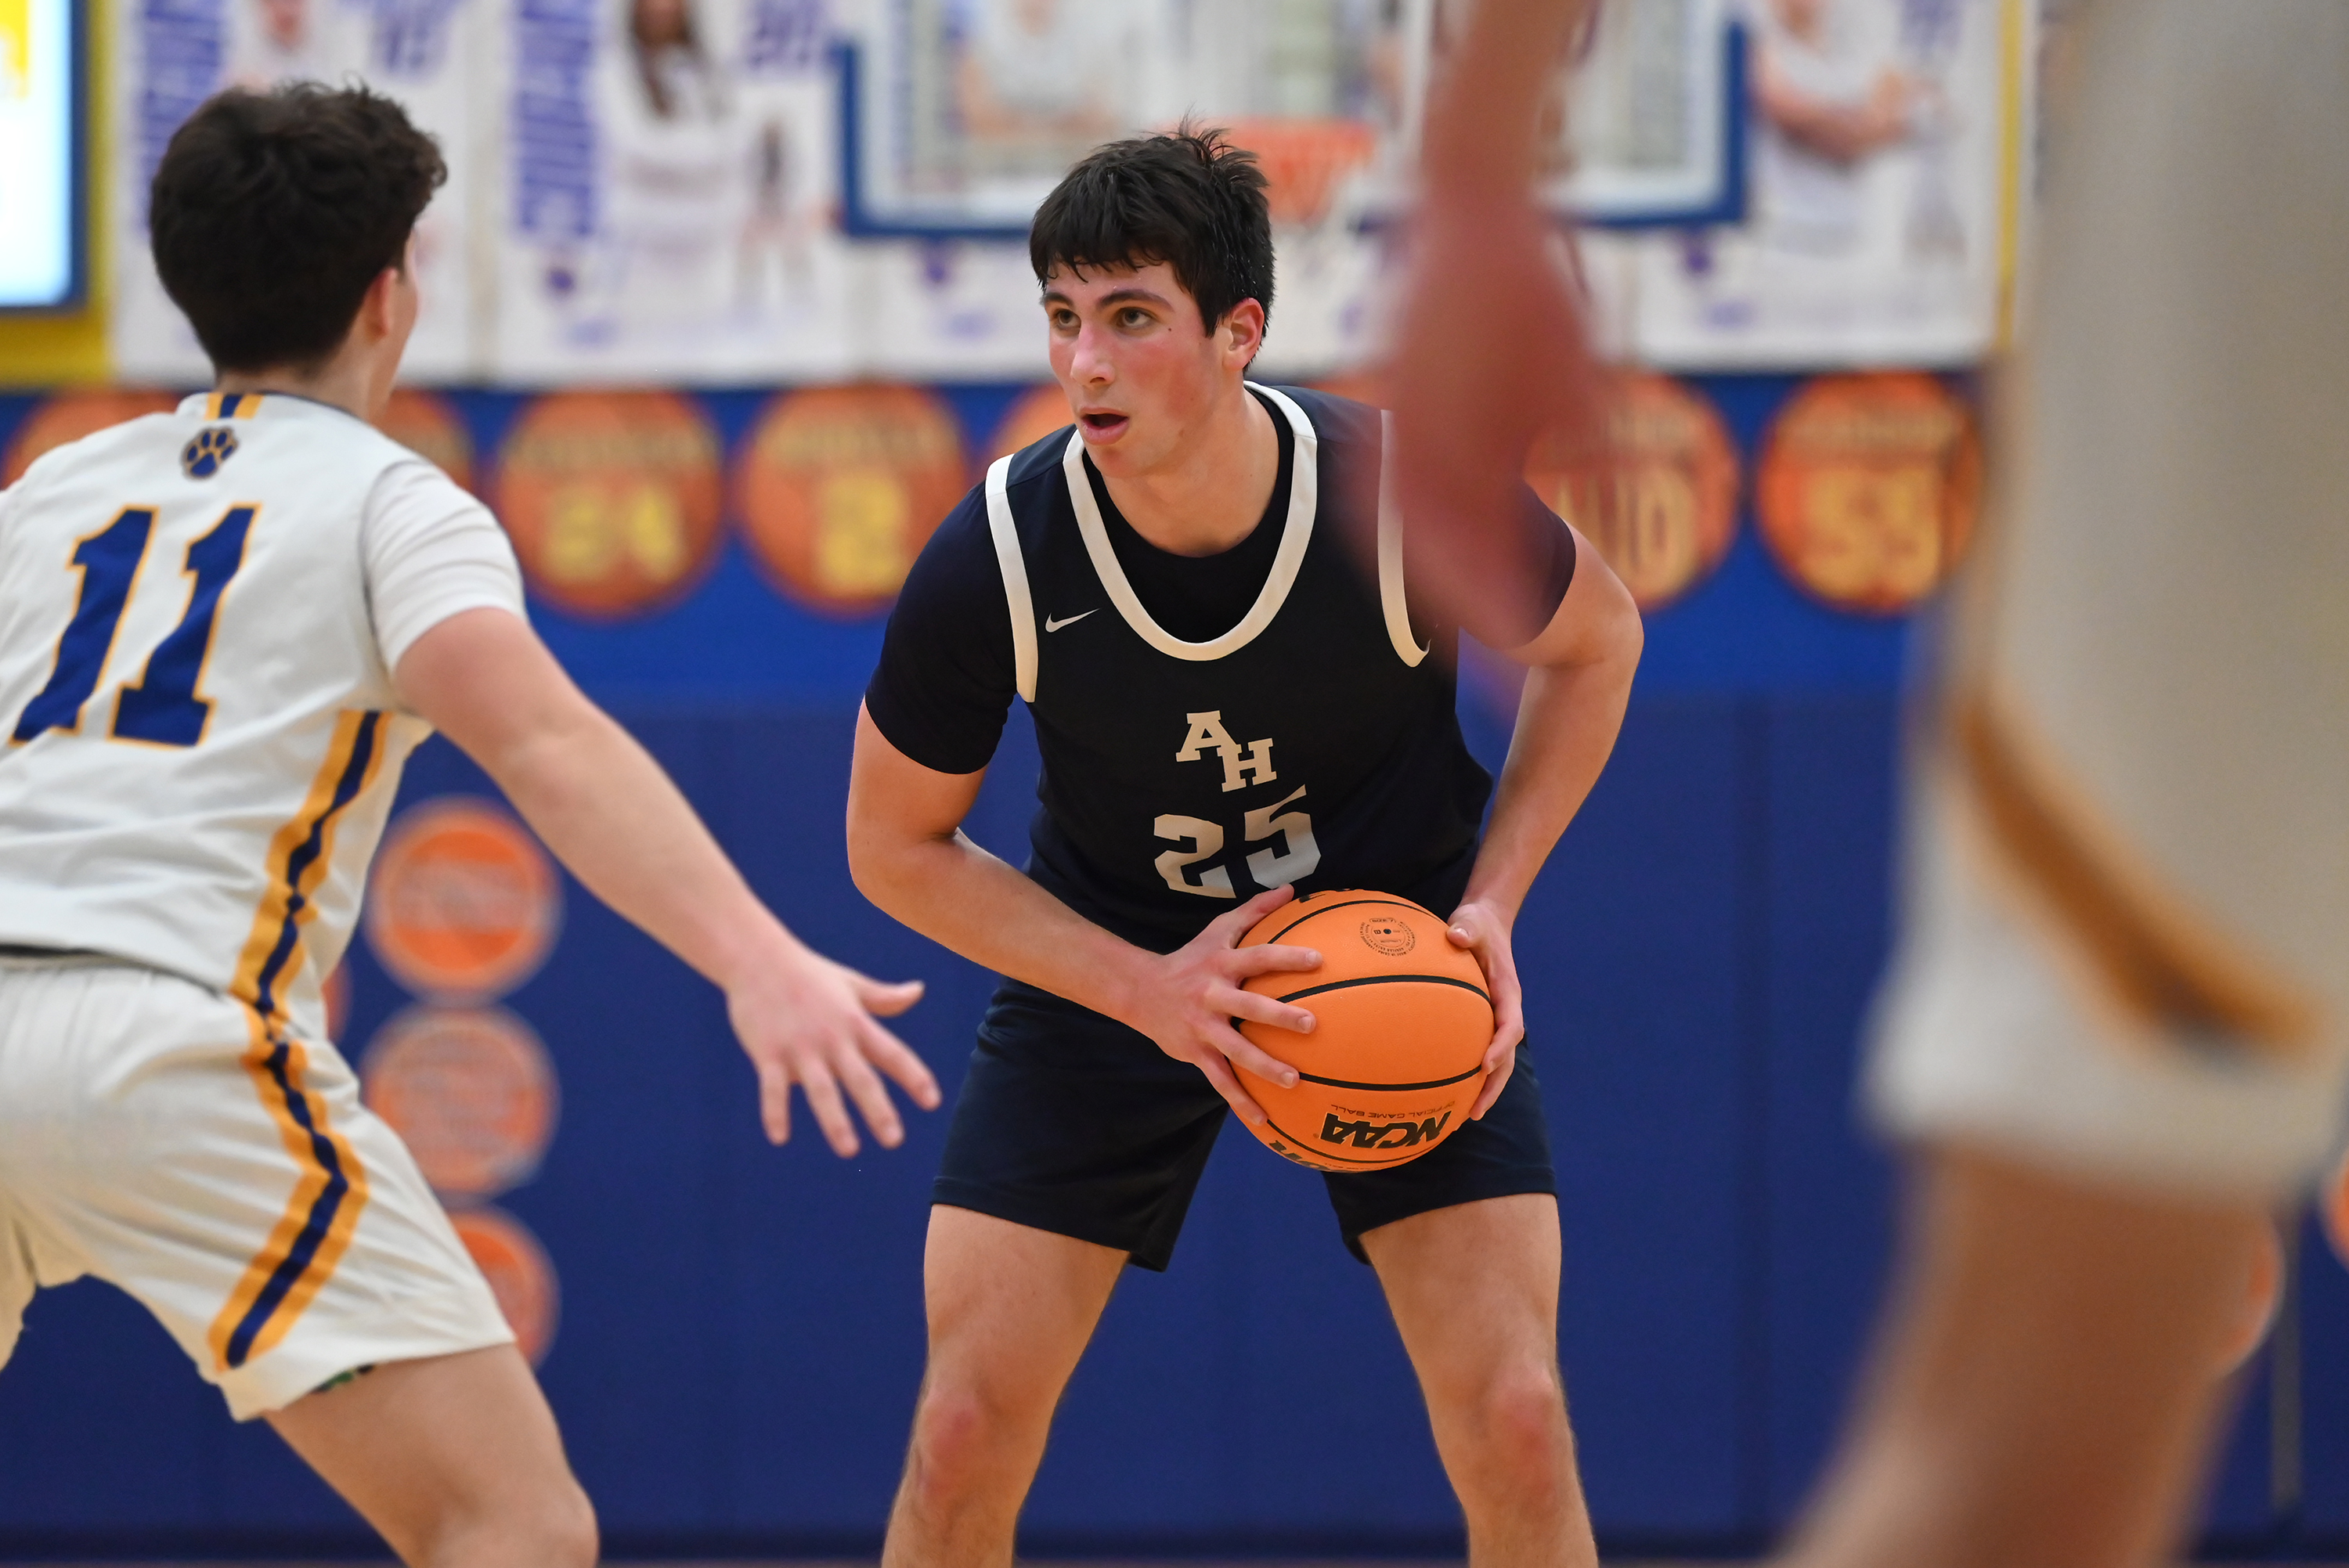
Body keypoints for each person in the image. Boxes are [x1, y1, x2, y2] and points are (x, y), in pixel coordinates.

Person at [1387, 1, 2348, 1564]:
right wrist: (1482, 164)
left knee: (2024, 1446)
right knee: (2032, 1441)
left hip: (2243, 155)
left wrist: (1483, 165)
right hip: (2258, 134)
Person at [0, 84, 939, 1565]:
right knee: (507, 1522)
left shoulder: (47, 492)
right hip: (166, 1040)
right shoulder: (391, 504)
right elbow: (548, 742)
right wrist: (761, 960)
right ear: (393, 297)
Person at [846, 125, 1643, 1568]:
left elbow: (1598, 644)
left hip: (1393, 957)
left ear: (1239, 330)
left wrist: (1494, 904)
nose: (1084, 363)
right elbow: (894, 848)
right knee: (959, 1434)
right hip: (1118, 970)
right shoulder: (1002, 554)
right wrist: (1147, 991)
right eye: (1063, 320)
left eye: (1132, 319)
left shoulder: (1401, 499)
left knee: (1518, 1417)